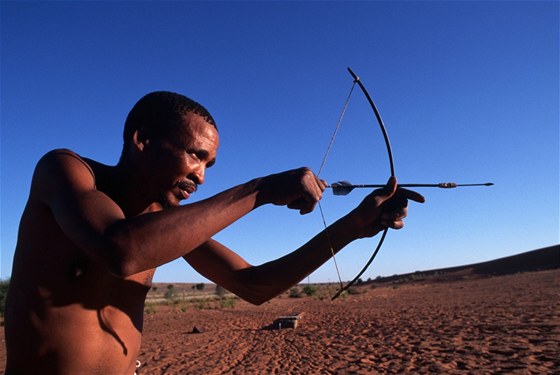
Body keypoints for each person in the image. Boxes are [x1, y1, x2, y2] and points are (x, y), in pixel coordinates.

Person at [4, 91, 425, 374]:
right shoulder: (66, 171)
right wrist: (259, 190)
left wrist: (351, 227)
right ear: (143, 139)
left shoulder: (164, 222)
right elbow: (121, 250)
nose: (201, 177)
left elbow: (254, 285)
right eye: (195, 156)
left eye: (210, 165)